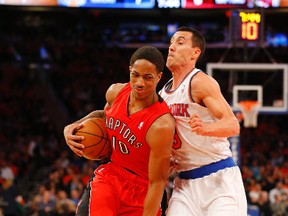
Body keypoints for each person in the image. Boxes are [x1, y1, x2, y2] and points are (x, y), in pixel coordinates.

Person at [63, 46, 176, 216]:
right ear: (130, 70)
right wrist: (71, 126)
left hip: (143, 190)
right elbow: (103, 114)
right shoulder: (115, 92)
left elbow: (157, 182)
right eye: (135, 75)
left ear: (159, 77)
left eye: (148, 77)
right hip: (111, 176)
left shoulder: (161, 124)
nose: (139, 83)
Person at [159, 26, 247, 216]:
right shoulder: (162, 95)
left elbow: (233, 125)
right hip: (184, 184)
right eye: (171, 42)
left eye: (180, 42)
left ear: (195, 53)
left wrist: (205, 128)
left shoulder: (199, 82)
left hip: (219, 179)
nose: (172, 47)